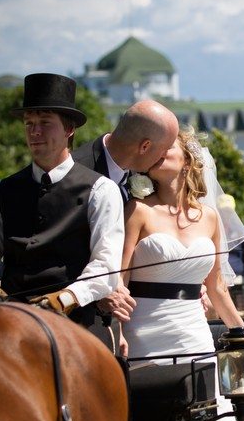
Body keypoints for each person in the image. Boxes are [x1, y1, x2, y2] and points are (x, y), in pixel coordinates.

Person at [119, 129, 244, 421]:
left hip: (194, 335)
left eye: (167, 148)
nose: (157, 153)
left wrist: (241, 331)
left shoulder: (210, 218)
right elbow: (117, 282)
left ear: (188, 160)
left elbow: (216, 285)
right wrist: (117, 333)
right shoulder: (138, 211)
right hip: (143, 335)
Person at [0, 73, 124, 329]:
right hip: (10, 319)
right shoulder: (2, 190)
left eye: (45, 122)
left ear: (69, 129)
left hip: (74, 323)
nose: (35, 131)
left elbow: (105, 265)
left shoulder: (101, 190)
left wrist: (65, 298)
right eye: (29, 123)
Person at [72, 99, 180, 323]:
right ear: (145, 147)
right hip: (76, 321)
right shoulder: (73, 174)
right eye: (164, 150)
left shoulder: (147, 176)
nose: (163, 157)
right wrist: (99, 291)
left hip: (132, 319)